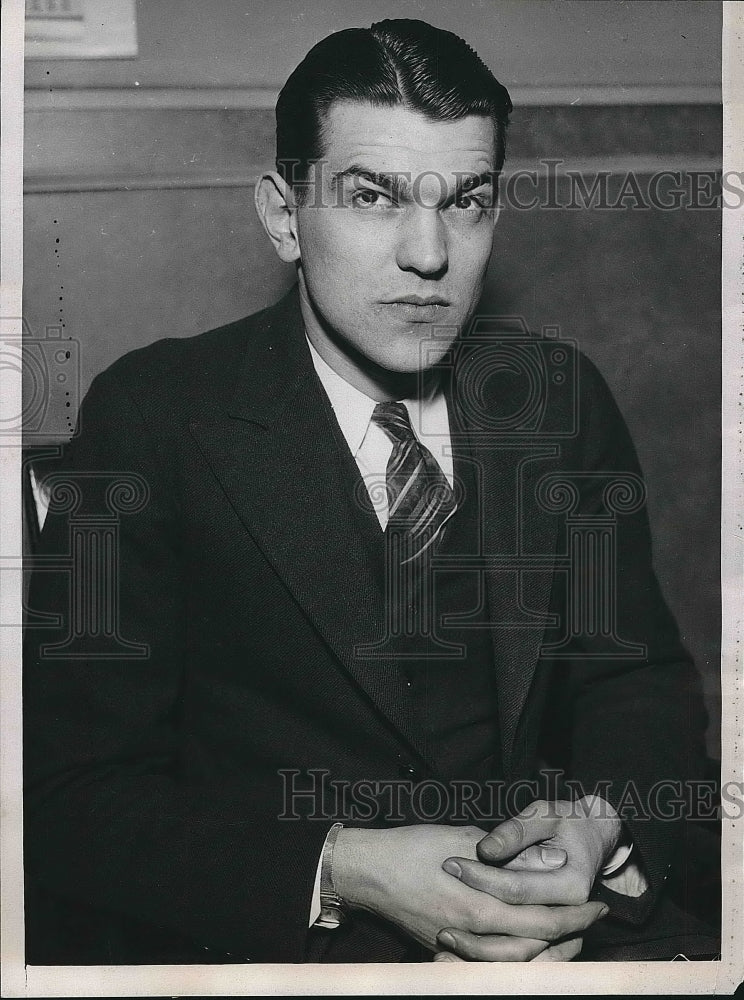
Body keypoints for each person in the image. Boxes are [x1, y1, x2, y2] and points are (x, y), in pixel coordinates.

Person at [24, 18, 712, 965]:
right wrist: (339, 867)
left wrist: (599, 833)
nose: (429, 255)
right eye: (373, 196)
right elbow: (71, 796)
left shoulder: (560, 401)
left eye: (465, 201)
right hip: (289, 953)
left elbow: (633, 683)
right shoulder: (153, 418)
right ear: (282, 215)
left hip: (564, 943)